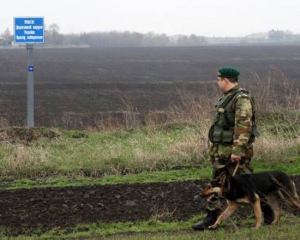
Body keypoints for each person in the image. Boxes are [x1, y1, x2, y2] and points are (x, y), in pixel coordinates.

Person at [192, 67, 274, 230]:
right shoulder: (227, 98)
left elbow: (243, 127)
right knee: (216, 183)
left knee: (249, 184)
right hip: (221, 152)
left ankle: (267, 212)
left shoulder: (241, 99)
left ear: (226, 80)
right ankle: (211, 216)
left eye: (218, 80)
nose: (217, 83)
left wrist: (237, 151)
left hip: (235, 154)